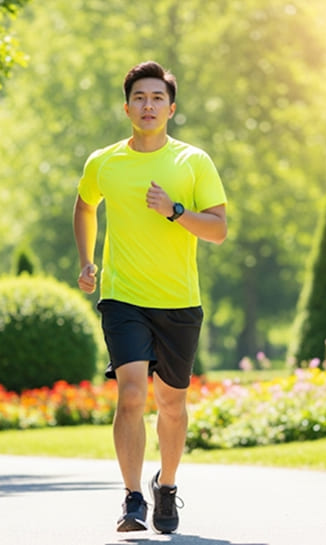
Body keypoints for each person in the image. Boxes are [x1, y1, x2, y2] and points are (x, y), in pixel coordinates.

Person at [73, 60, 227, 534]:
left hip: (179, 300)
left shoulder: (194, 161)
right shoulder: (105, 161)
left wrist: (176, 210)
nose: (148, 105)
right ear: (126, 107)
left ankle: (168, 486)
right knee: (132, 393)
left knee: (173, 404)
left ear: (171, 108)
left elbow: (218, 230)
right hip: (123, 298)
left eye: (157, 98)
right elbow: (84, 206)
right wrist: (86, 260)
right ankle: (133, 497)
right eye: (140, 97)